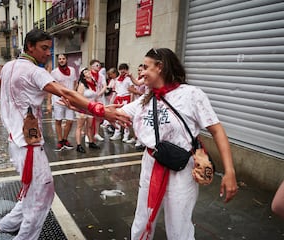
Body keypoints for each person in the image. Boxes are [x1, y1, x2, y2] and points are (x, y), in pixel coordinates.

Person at [0, 29, 130, 240]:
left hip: (16, 140)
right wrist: (100, 110)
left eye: (49, 48)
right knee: (42, 193)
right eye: (44, 48)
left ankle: (7, 224)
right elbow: (66, 92)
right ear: (30, 46)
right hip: (27, 143)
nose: (48, 53)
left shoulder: (8, 67)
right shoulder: (35, 71)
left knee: (33, 189)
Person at [118, 48, 237, 239]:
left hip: (181, 169)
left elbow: (217, 131)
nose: (140, 72)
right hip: (151, 165)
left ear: (160, 67)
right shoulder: (147, 98)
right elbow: (117, 112)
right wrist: (83, 105)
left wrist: (230, 172)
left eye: (145, 67)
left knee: (179, 227)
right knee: (142, 219)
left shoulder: (192, 95)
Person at [49, 54, 76, 151]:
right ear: (58, 61)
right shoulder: (54, 72)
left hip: (70, 100)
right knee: (58, 120)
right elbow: (50, 87)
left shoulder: (72, 70)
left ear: (66, 59)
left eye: (63, 58)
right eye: (59, 59)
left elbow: (74, 83)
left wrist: (74, 95)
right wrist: (49, 102)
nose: (61, 60)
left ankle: (65, 139)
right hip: (58, 100)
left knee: (70, 121)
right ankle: (60, 141)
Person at [75, 68, 101, 153]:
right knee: (80, 126)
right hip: (83, 108)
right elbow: (79, 97)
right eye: (85, 72)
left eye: (88, 71)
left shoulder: (93, 83)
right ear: (83, 76)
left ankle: (91, 142)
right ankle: (79, 145)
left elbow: (95, 97)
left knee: (90, 126)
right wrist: (81, 109)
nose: (88, 72)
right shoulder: (82, 84)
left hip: (91, 108)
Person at [110, 63, 134, 142]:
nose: (122, 71)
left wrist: (131, 101)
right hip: (118, 99)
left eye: (124, 69)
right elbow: (116, 91)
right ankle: (117, 133)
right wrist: (113, 101)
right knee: (117, 116)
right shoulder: (116, 79)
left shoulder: (129, 79)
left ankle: (126, 135)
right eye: (121, 69)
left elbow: (132, 91)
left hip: (126, 98)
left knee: (125, 117)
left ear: (127, 70)